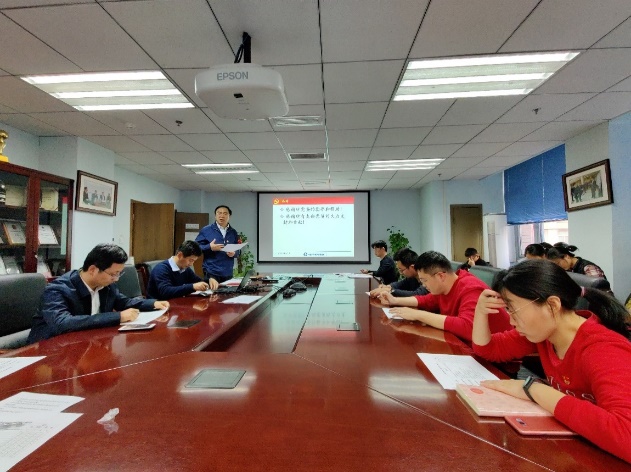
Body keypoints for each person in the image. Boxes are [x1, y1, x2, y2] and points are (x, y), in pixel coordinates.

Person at [472, 259, 631, 464]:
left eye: (514, 311)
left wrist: (533, 389)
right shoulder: (545, 333)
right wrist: (480, 311)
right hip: (579, 451)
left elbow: (626, 436)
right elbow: (488, 349)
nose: (511, 321)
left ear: (552, 305)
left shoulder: (602, 349)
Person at [27, 243, 169, 343]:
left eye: (119, 274)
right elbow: (61, 323)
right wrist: (117, 317)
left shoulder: (106, 285)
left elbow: (123, 302)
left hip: (86, 343)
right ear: (93, 270)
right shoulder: (57, 289)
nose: (116, 279)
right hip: (50, 351)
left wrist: (153, 303)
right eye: (113, 274)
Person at [379, 251, 512, 342]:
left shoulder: (470, 288)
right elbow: (427, 300)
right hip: (467, 345)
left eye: (425, 280)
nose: (424, 285)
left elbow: (468, 327)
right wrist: (395, 300)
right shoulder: (446, 286)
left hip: (496, 359)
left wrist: (418, 315)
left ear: (440, 276)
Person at [147, 240, 218, 299]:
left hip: (176, 303)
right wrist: (192, 287)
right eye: (190, 260)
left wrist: (209, 280)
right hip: (159, 306)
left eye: (194, 261)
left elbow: (197, 281)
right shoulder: (161, 269)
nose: (191, 264)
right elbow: (166, 292)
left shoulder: (185, 269)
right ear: (180, 255)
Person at [195, 205, 240, 283]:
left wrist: (234, 253)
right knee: (212, 291)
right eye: (219, 213)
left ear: (229, 216)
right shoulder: (206, 230)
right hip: (211, 271)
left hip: (228, 272)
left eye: (225, 213)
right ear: (215, 216)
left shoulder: (233, 232)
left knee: (228, 291)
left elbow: (238, 250)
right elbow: (195, 247)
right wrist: (209, 247)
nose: (222, 215)